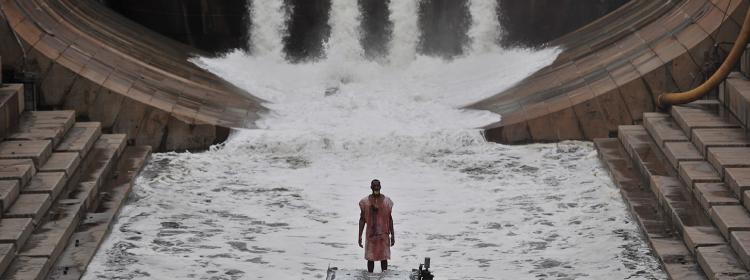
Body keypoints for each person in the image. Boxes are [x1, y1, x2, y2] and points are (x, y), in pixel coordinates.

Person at [358, 179, 395, 273]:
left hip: (383, 235)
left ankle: (385, 277)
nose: (376, 188)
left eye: (378, 186)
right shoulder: (365, 202)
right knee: (370, 258)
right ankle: (369, 277)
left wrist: (393, 235)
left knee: (384, 258)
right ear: (371, 187)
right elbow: (362, 219)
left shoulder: (387, 202)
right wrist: (359, 235)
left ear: (380, 187)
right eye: (374, 186)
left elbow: (390, 219)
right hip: (371, 235)